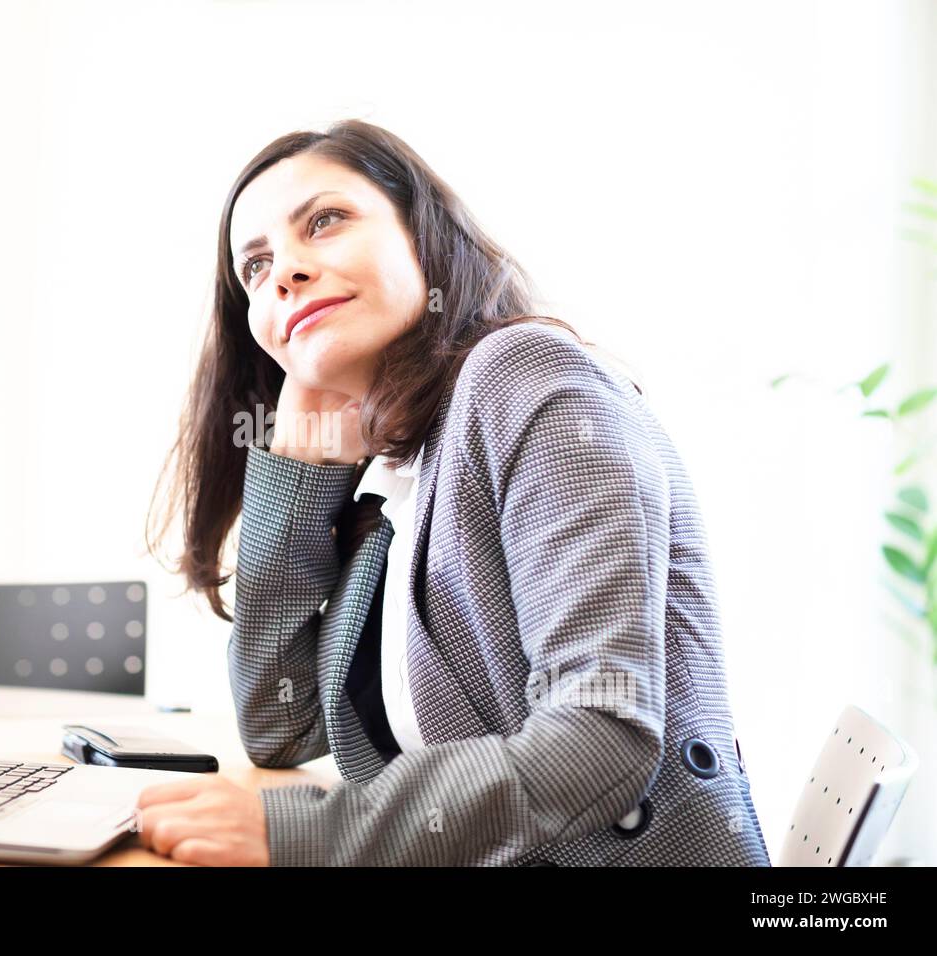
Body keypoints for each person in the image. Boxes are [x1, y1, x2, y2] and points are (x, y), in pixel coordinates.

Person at [139, 119, 770, 867]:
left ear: (424, 235)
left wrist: (301, 833)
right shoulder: (397, 475)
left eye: (326, 220)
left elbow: (602, 736)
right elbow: (280, 726)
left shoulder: (526, 374)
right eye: (256, 267)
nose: (286, 272)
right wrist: (297, 478)